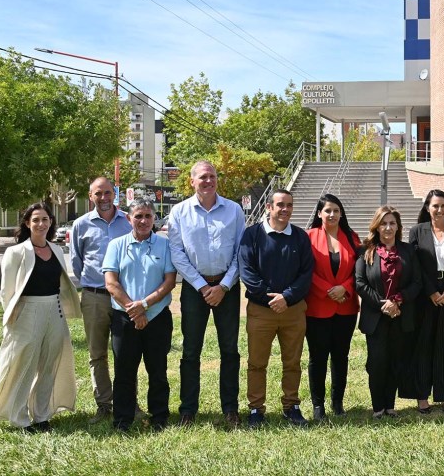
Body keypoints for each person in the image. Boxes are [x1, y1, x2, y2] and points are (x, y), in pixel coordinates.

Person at [0, 203, 81, 432]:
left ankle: (42, 416)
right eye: (35, 220)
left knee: (49, 366)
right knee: (23, 365)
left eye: (45, 219)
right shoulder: (15, 252)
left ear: (51, 222)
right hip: (26, 312)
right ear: (27, 223)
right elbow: (7, 291)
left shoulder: (56, 250)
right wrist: (12, 318)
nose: (41, 224)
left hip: (54, 312)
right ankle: (20, 419)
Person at [167, 160, 245, 428]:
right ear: (192, 181)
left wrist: (223, 286)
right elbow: (177, 253)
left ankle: (230, 409)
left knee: (230, 351)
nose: (208, 181)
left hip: (227, 288)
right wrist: (202, 286)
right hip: (193, 289)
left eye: (212, 176)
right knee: (190, 351)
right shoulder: (178, 212)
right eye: (202, 177)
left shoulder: (234, 210)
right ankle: (188, 410)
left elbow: (240, 252)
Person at [239, 189, 314, 427]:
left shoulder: (300, 237)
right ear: (268, 207)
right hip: (261, 311)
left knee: (292, 362)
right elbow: (247, 271)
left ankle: (291, 406)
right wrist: (271, 298)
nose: (285, 209)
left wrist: (288, 297)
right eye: (280, 205)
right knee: (257, 363)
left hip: (293, 310)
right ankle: (255, 410)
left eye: (289, 205)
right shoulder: (252, 235)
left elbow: (306, 273)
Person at [102, 199, 176, 432]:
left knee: (158, 370)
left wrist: (144, 305)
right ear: (129, 218)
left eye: (148, 216)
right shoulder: (116, 245)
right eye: (138, 216)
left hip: (157, 317)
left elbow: (169, 281)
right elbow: (111, 282)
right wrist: (133, 310)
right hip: (124, 318)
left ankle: (159, 417)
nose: (143, 221)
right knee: (124, 371)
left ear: (154, 218)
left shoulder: (165, 246)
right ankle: (123, 419)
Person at [69, 177, 132, 423]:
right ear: (90, 195)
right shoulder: (81, 225)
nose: (104, 198)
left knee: (126, 353)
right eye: (98, 194)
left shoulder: (128, 221)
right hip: (94, 297)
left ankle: (128, 402)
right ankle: (104, 404)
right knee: (97, 354)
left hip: (125, 298)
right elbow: (77, 262)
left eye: (108, 193)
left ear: (114, 194)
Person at [355, 206, 423, 418]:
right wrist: (382, 304)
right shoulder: (366, 250)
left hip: (400, 315)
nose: (388, 227)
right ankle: (377, 407)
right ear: (376, 226)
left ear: (398, 226)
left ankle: (390, 405)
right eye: (383, 223)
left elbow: (417, 282)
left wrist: (398, 301)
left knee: (395, 360)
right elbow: (359, 282)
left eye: (392, 223)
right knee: (377, 362)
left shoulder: (408, 251)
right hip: (376, 316)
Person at [405, 190, 444, 414]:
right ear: (427, 208)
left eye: (443, 206)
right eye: (434, 206)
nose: (439, 210)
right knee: (423, 346)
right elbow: (414, 265)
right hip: (425, 297)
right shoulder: (417, 231)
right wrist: (431, 291)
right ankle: (422, 396)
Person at [305, 194, 361, 420]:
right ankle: (318, 405)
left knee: (341, 356)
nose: (332, 214)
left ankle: (338, 402)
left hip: (345, 307)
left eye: (336, 210)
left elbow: (360, 271)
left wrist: (345, 288)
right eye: (327, 210)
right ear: (319, 213)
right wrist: (329, 289)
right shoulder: (308, 237)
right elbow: (306, 271)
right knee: (317, 357)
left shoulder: (352, 237)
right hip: (318, 306)